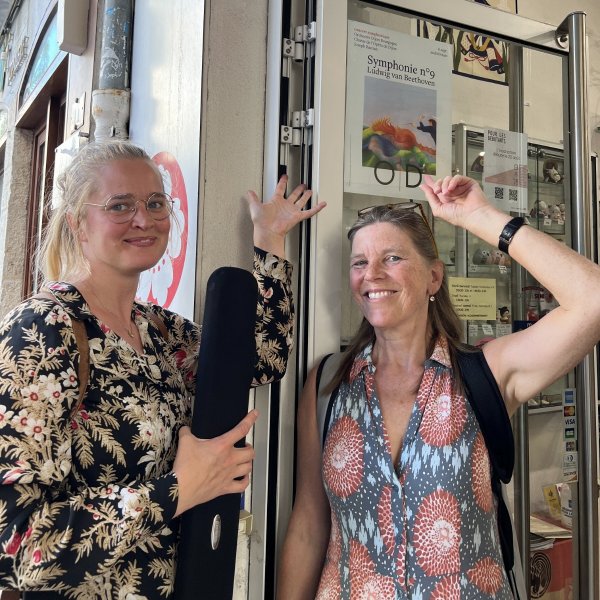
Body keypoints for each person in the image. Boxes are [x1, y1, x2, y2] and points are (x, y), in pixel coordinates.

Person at [0, 140, 325, 597]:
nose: (143, 219)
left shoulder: (159, 331)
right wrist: (178, 489)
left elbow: (261, 358)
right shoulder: (41, 329)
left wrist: (269, 239)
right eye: (120, 205)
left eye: (155, 203)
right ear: (78, 223)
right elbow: (18, 545)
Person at [277, 173, 600, 598]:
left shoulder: (484, 374)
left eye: (392, 258)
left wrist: (484, 219)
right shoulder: (328, 385)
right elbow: (308, 526)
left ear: (433, 278)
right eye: (360, 262)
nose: (371, 274)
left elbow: (592, 302)